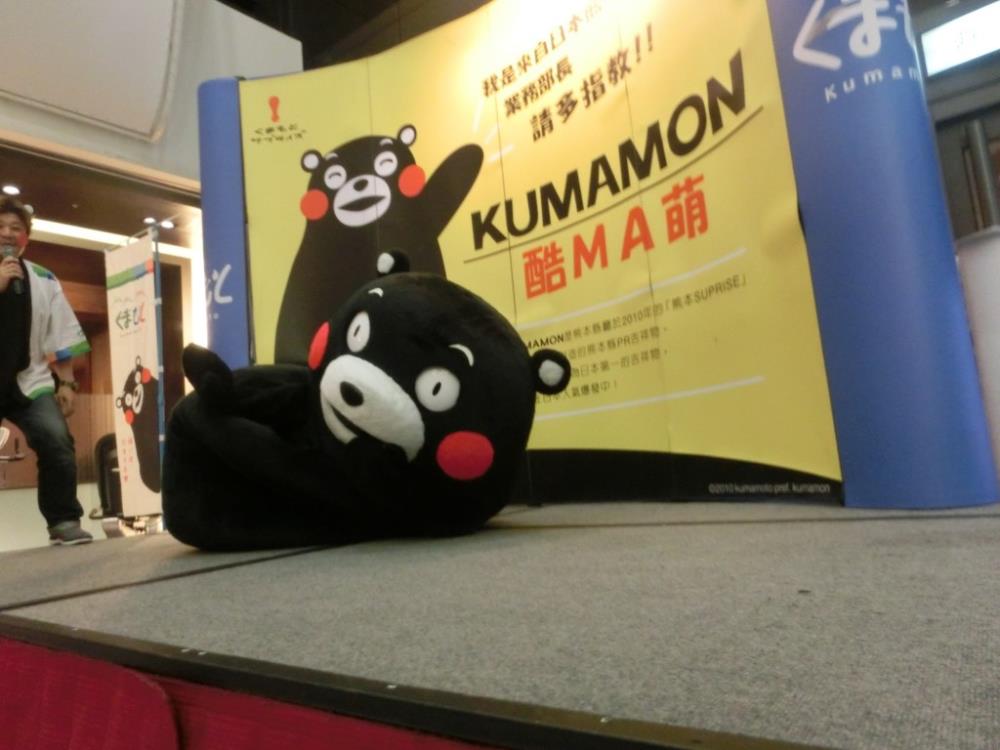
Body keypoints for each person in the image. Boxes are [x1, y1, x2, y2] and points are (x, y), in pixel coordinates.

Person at [0, 196, 93, 545]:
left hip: (30, 379)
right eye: (0, 227)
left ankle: (63, 521)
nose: (7, 234)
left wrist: (67, 382)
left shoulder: (43, 279)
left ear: (26, 237)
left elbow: (61, 333)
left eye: (16, 228)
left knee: (57, 440)